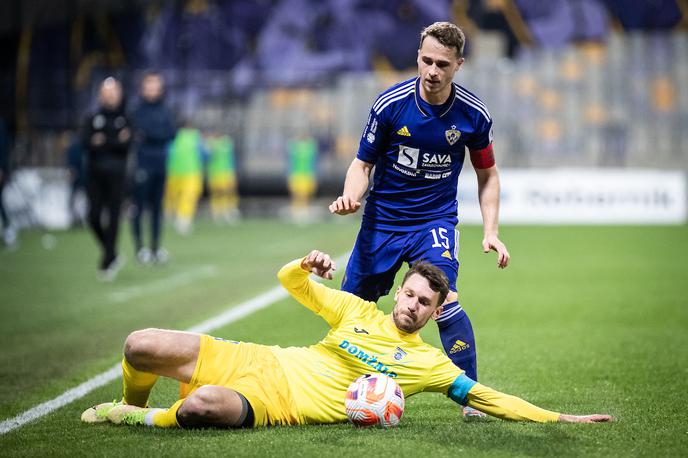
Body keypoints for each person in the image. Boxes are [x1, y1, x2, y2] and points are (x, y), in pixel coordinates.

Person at [81, 249, 612, 428]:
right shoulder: (357, 309)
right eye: (408, 294)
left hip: (276, 402)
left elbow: (486, 397)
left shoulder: (428, 365)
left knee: (200, 408)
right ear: (399, 292)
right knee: (139, 344)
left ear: (432, 314)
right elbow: (290, 283)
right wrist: (306, 264)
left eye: (423, 303)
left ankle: (135, 419)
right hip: (260, 359)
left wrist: (557, 417)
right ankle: (128, 403)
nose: (411, 305)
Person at [328, 22, 509, 418]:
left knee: (446, 302)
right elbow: (363, 164)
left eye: (442, 64)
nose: (432, 71)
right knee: (352, 310)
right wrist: (351, 197)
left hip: (434, 223)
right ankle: (340, 389)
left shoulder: (473, 116)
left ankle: (471, 401)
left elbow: (488, 174)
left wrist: (491, 231)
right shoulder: (390, 105)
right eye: (426, 60)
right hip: (382, 222)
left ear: (458, 65)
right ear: (418, 57)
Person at [82, 77, 131, 280]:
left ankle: (108, 260)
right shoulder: (93, 117)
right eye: (106, 92)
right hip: (95, 174)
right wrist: (113, 141)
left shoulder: (126, 118)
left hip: (117, 175)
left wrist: (103, 141)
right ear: (100, 95)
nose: (110, 96)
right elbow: (87, 142)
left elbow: (125, 146)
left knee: (113, 217)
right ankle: (111, 252)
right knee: (93, 216)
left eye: (114, 92)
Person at [130, 72, 176, 265]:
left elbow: (170, 133)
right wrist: (154, 135)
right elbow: (140, 133)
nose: (153, 89)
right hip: (143, 164)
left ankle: (155, 247)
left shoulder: (165, 110)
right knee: (139, 207)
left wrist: (151, 135)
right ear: (143, 88)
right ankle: (140, 248)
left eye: (156, 85)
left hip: (160, 164)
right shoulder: (137, 111)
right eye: (149, 85)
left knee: (157, 208)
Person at [164, 121, 205, 235]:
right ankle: (183, 220)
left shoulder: (172, 136)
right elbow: (203, 153)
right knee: (188, 197)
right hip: (191, 172)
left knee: (174, 196)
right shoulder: (194, 136)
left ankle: (170, 215)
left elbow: (166, 152)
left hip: (173, 171)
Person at [206, 132, 240, 224]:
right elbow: (207, 157)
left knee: (228, 192)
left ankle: (229, 211)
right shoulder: (211, 144)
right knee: (218, 193)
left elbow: (231, 158)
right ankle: (218, 213)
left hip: (226, 172)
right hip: (216, 173)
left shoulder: (226, 143)